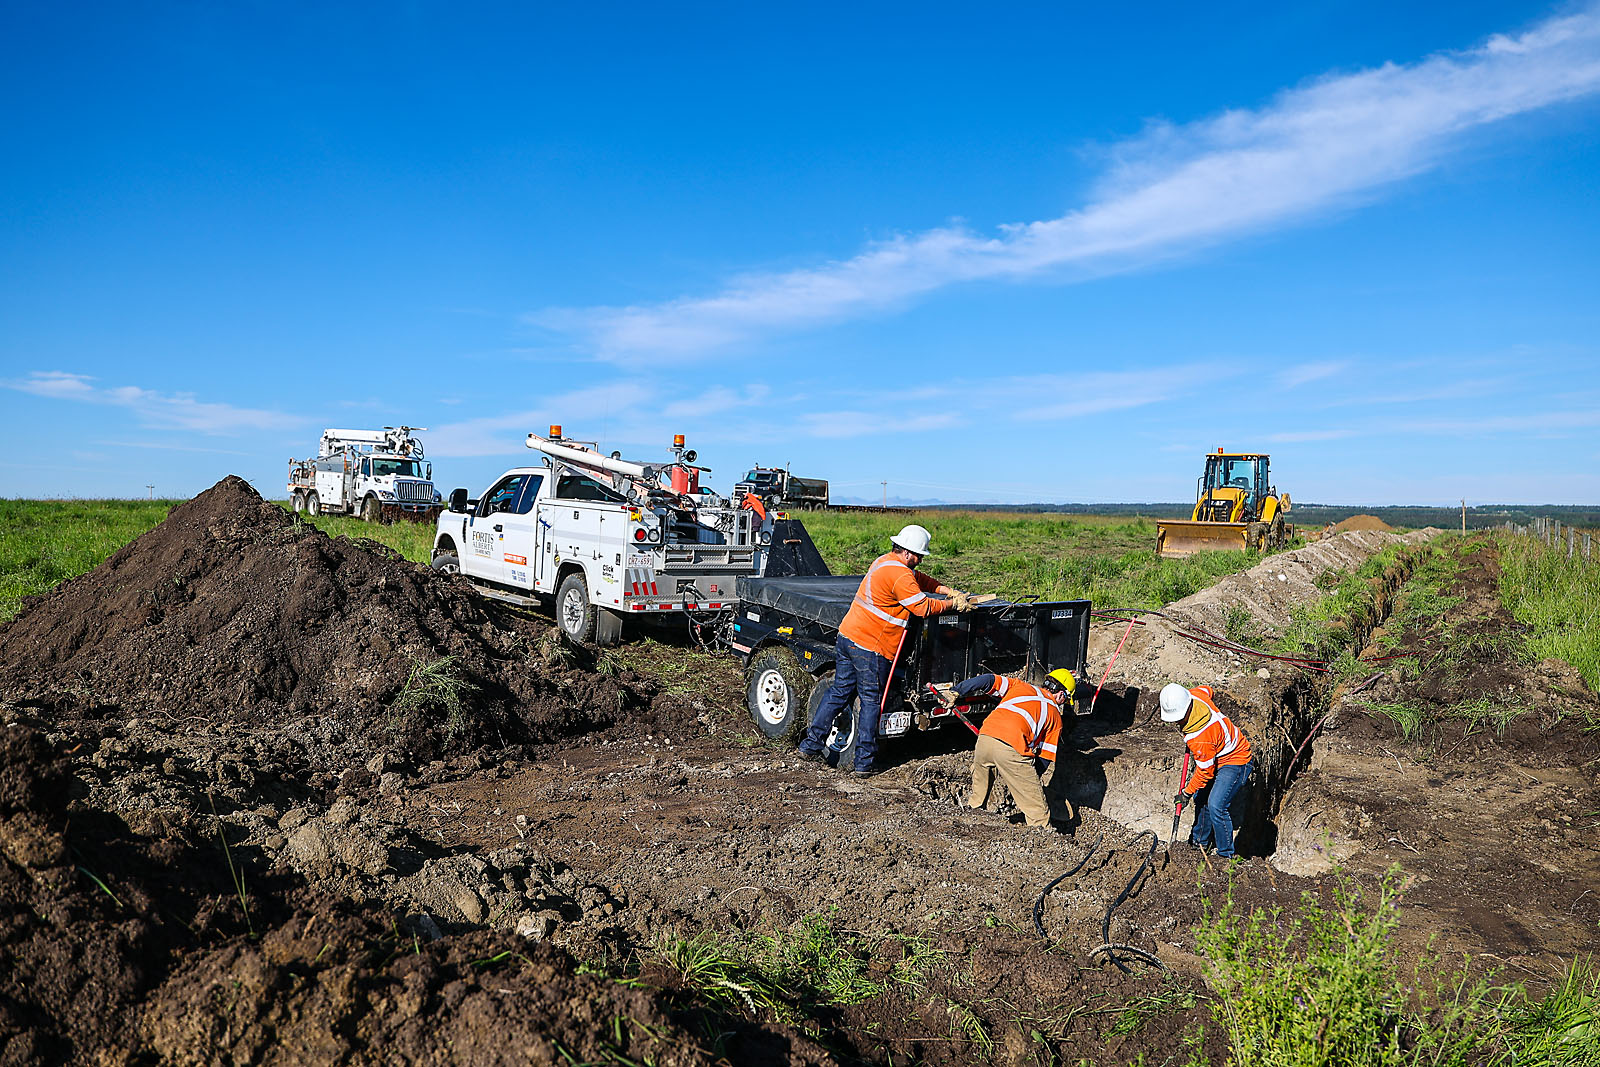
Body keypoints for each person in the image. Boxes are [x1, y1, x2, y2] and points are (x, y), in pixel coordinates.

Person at [799, 524, 971, 777]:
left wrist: (946, 590)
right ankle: (863, 764)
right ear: (908, 553)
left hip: (849, 636)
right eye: (919, 556)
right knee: (871, 702)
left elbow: (919, 579)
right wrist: (952, 604)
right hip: (871, 646)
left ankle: (810, 746)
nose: (921, 560)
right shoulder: (901, 576)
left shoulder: (885, 562)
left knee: (839, 692)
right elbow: (922, 608)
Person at [948, 668, 1078, 828]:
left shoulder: (1020, 686)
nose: (1063, 704)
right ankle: (1043, 843)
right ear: (1061, 694)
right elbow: (1044, 759)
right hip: (1012, 748)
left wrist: (957, 691)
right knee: (1037, 811)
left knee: (979, 793)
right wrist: (1029, 782)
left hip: (985, 739)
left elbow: (988, 679)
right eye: (1065, 700)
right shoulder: (1055, 717)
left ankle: (971, 824)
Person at [1160, 682, 1253, 858]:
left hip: (1236, 760)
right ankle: (1198, 844)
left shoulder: (1201, 738)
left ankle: (1225, 855)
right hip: (1217, 755)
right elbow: (1207, 689)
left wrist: (1186, 793)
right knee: (1201, 798)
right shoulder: (1195, 695)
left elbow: (1205, 772)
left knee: (1216, 805)